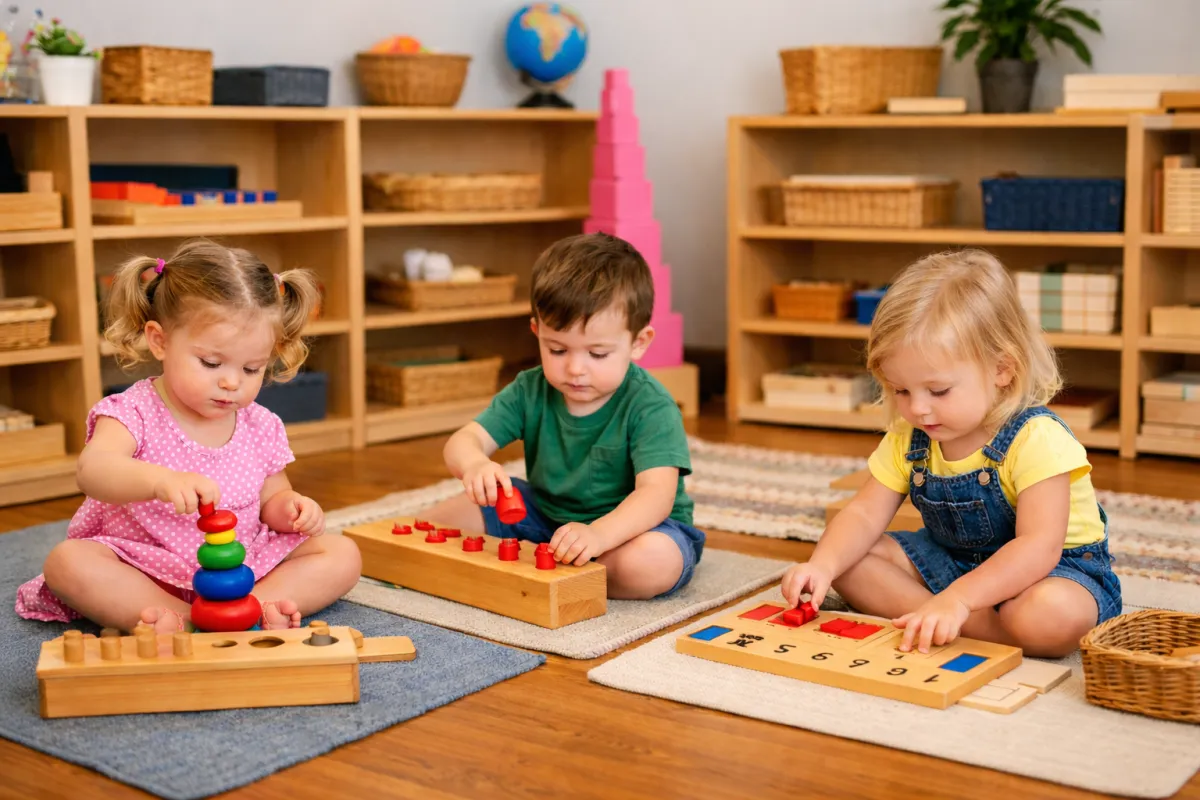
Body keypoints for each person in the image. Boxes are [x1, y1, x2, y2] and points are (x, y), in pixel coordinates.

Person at [781, 249, 1122, 658]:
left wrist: (958, 599)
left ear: (1002, 369)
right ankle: (967, 624)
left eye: (938, 391)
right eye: (901, 390)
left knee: (1049, 615)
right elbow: (863, 514)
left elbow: (1038, 547)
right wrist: (822, 566)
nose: (918, 408)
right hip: (951, 561)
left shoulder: (1037, 438)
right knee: (849, 562)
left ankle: (960, 619)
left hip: (1051, 572)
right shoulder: (911, 436)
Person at [15, 239, 362, 633]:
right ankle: (179, 619)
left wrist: (293, 509)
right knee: (68, 562)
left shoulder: (260, 424)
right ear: (159, 340)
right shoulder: (133, 411)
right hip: (146, 568)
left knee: (341, 552)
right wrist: (159, 481)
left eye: (252, 369)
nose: (232, 382)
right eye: (211, 363)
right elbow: (93, 470)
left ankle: (253, 608)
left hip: (240, 568)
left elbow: (273, 498)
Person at [422, 232, 704, 599]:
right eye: (557, 349)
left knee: (650, 563)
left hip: (632, 532)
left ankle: (564, 574)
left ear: (638, 343)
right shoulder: (530, 388)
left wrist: (599, 535)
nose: (575, 369)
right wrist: (474, 464)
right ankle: (559, 567)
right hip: (545, 518)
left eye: (598, 354)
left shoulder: (650, 405)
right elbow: (464, 440)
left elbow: (656, 495)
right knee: (437, 521)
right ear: (537, 331)